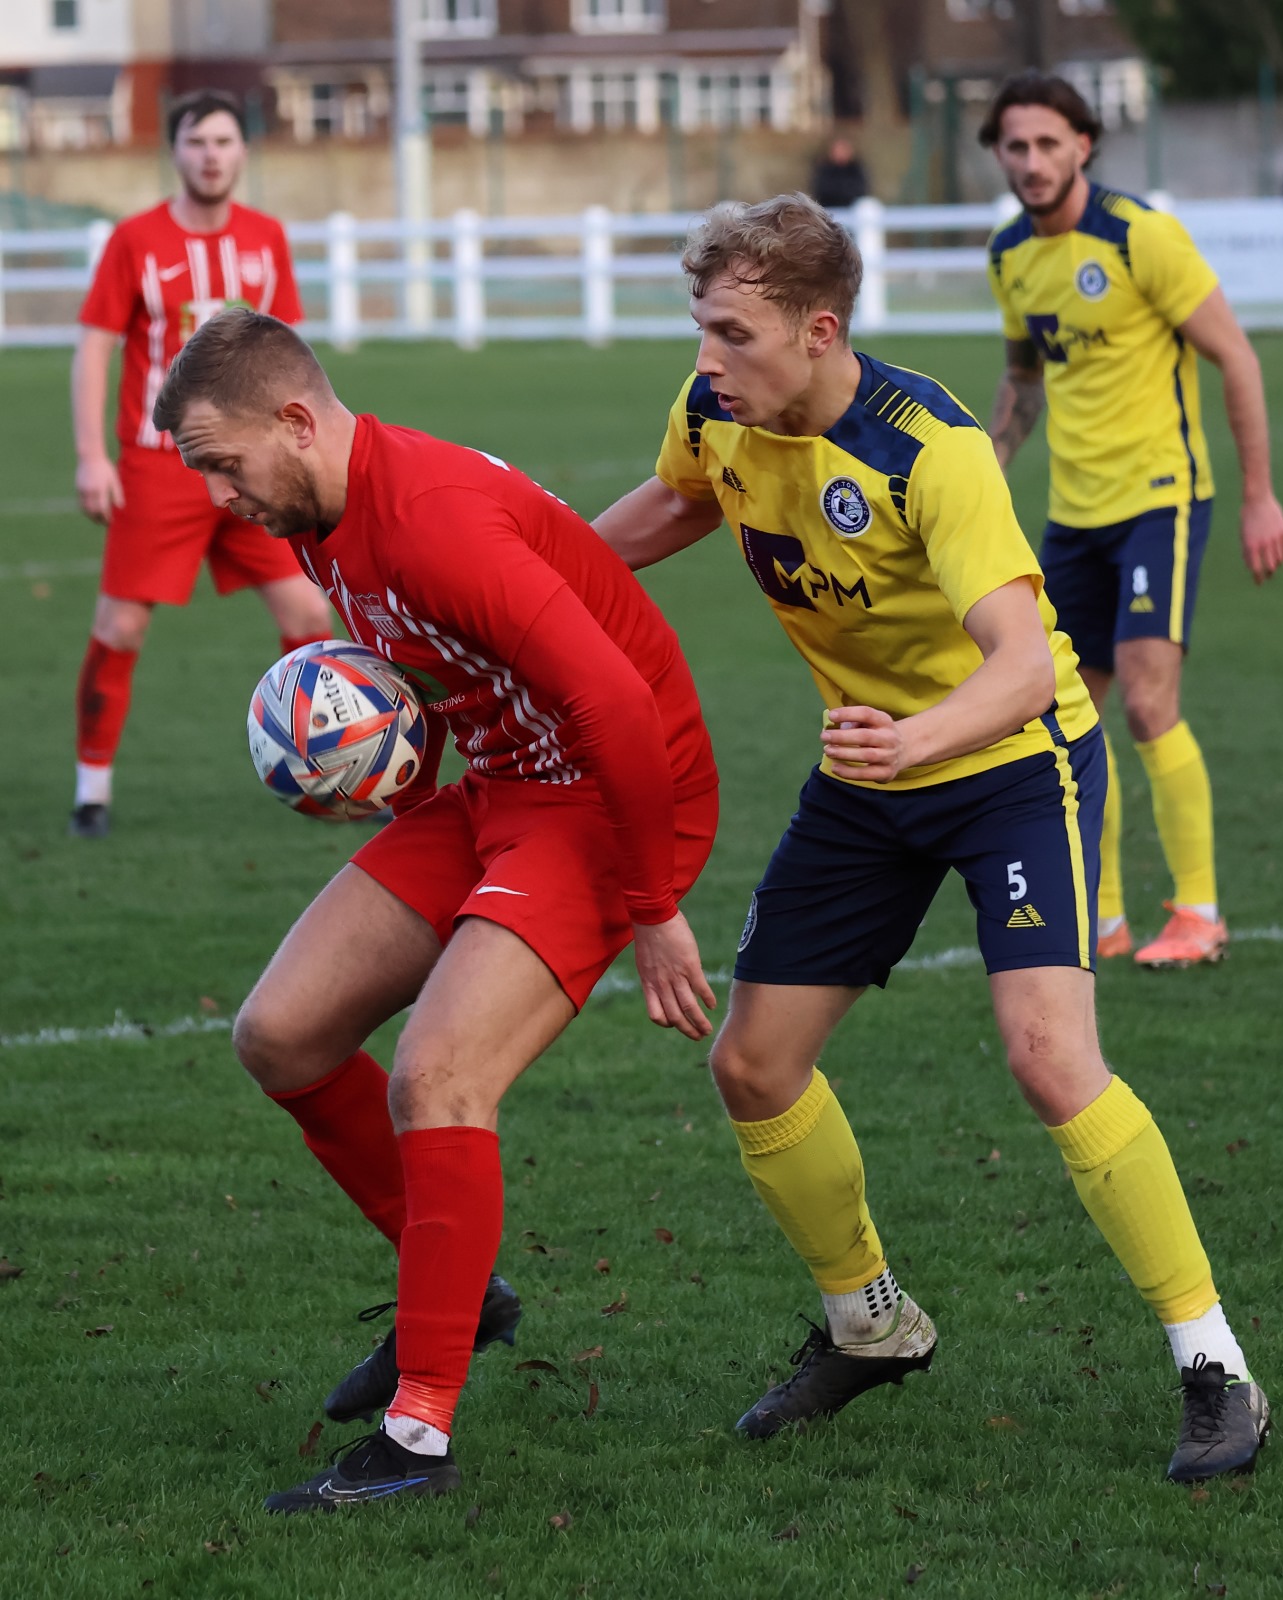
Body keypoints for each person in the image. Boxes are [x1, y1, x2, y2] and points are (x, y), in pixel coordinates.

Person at [593, 193, 1268, 1483]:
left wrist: (919, 739)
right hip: (870, 774)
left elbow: (1021, 666)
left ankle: (1216, 1368)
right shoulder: (714, 418)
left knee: (1048, 1056)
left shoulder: (928, 448)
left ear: (819, 329)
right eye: (700, 328)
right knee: (752, 1065)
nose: (705, 359)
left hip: (1011, 762)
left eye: (732, 332)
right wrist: (541, 565)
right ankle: (872, 1322)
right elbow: (675, 507)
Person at [152, 307, 719, 1514]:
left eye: (222, 460)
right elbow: (452, 675)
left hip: (615, 800)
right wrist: (375, 759)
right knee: (283, 1033)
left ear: (296, 421)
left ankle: (417, 1434)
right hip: (508, 783)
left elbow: (616, 703)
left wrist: (653, 903)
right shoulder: (321, 519)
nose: (219, 492)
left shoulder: (433, 520)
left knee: (438, 1075)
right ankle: (453, 1283)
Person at [979, 72, 1283, 966]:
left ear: (1084, 145)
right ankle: (1105, 918)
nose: (1033, 162)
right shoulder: (1009, 255)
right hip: (1072, 519)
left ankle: (1199, 913)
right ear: (998, 154)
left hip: (1161, 501)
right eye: (1017, 146)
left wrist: (1259, 495)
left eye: (1049, 144)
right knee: (1067, 720)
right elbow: (1024, 380)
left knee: (1152, 707)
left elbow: (1237, 358)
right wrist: (988, 467)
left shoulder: (1138, 236)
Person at [70, 88, 331, 839]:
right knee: (120, 626)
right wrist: (93, 454)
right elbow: (94, 345)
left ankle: (320, 779)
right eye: (196, 142)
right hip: (158, 466)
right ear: (176, 152)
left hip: (256, 466)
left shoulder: (265, 238)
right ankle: (92, 792)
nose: (211, 156)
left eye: (223, 141)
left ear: (241, 151)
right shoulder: (135, 241)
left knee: (309, 612)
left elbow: (290, 356)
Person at [811, 136, 870, 211]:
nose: (840, 154)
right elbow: (821, 190)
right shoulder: (824, 169)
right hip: (829, 208)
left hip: (852, 209)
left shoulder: (856, 168)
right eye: (838, 150)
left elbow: (862, 189)